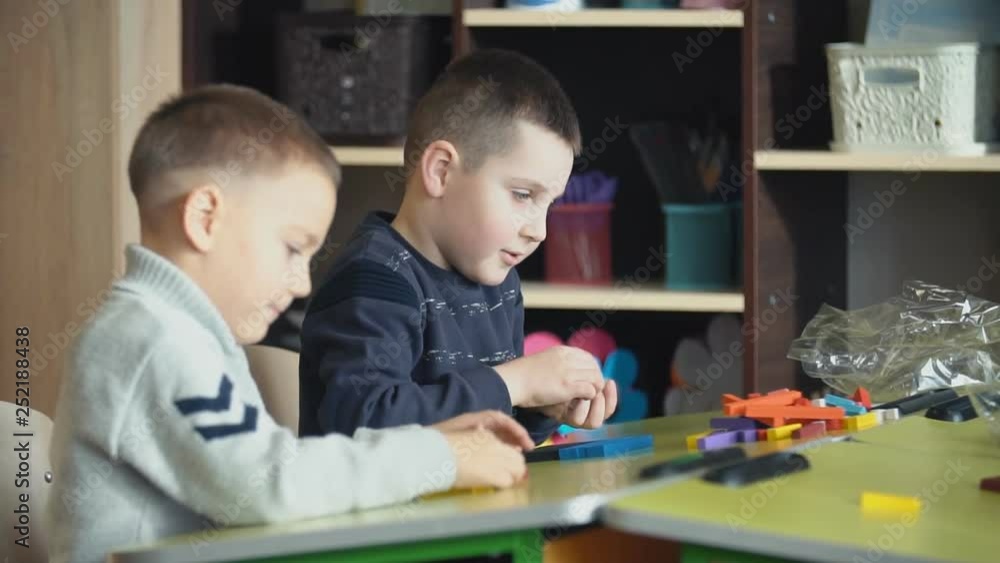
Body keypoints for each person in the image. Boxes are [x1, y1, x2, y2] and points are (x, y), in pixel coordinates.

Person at [46, 84, 531, 563]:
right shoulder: (154, 340)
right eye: (293, 248)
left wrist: (434, 442)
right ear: (205, 217)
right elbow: (268, 483)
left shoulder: (179, 334)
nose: (302, 284)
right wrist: (437, 457)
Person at [299, 49, 618, 443]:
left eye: (548, 205)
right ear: (441, 171)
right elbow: (365, 425)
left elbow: (488, 429)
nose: (540, 231)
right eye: (522, 195)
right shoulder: (372, 281)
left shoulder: (498, 283)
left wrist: (539, 408)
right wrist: (515, 382)